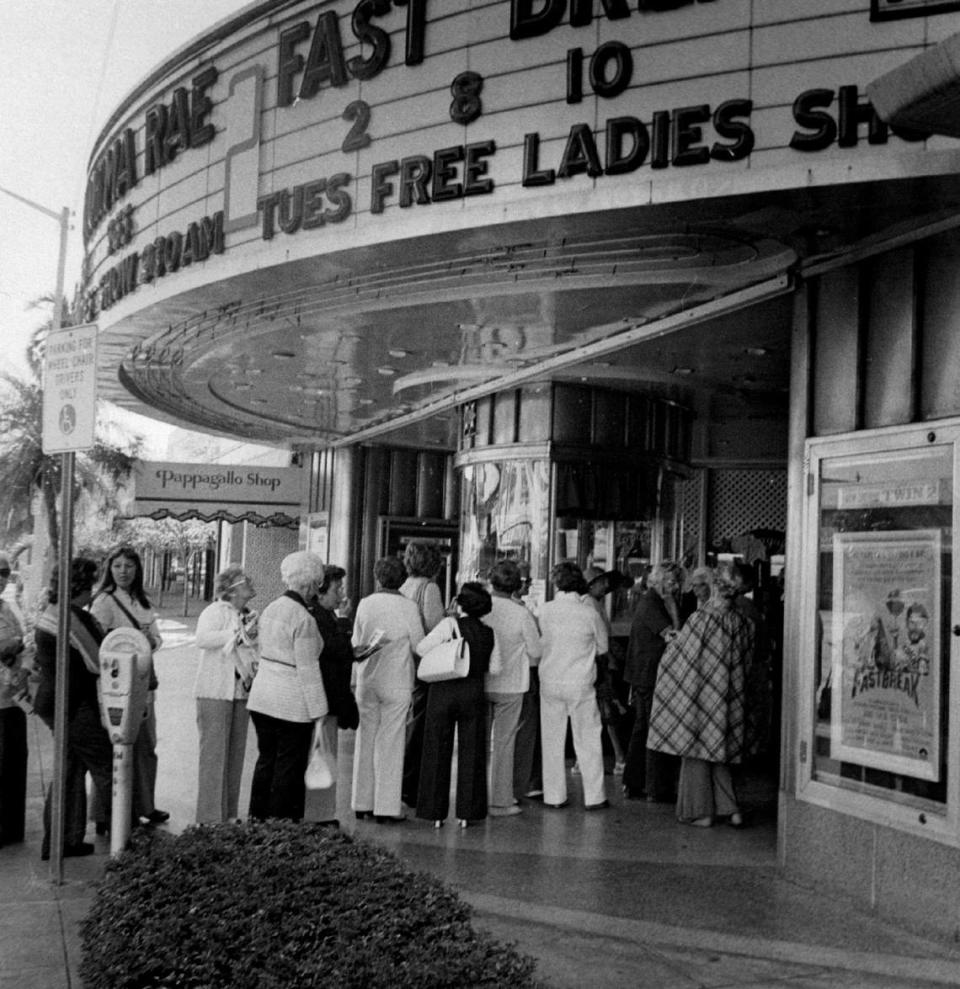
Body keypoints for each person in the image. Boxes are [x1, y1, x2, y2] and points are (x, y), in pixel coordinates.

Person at [647, 561, 755, 827]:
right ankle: (731, 808)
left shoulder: (700, 620)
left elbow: (681, 658)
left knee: (694, 750)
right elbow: (749, 660)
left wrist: (672, 641)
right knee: (720, 750)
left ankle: (700, 812)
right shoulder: (742, 622)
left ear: (716, 584)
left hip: (699, 695)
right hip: (730, 695)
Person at [34, 558, 112, 859]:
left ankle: (62, 841)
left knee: (69, 770)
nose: (93, 591)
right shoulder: (71, 617)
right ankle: (127, 837)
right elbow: (98, 660)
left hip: (55, 702)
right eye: (91, 584)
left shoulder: (52, 612)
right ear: (81, 586)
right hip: (74, 705)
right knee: (108, 765)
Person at [247, 551, 329, 821]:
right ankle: (283, 826)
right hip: (290, 703)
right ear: (307, 585)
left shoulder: (271, 607)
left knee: (266, 760)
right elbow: (308, 669)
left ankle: (256, 819)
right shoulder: (303, 619)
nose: (316, 591)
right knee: (289, 768)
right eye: (317, 585)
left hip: (262, 697)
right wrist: (319, 710)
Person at [90, 545, 168, 827]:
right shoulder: (104, 602)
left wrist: (148, 641)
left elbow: (158, 639)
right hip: (116, 686)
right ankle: (108, 814)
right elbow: (99, 644)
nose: (123, 571)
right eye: (118, 566)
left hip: (144, 683)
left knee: (146, 745)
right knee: (117, 745)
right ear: (109, 569)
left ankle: (145, 805)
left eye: (129, 566)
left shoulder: (142, 601)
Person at [416, 582, 500, 828]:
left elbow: (421, 648)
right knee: (473, 751)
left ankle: (434, 813)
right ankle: (468, 813)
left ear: (460, 603)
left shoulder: (448, 625)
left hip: (443, 692)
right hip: (473, 693)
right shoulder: (489, 632)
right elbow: (496, 668)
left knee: (436, 749)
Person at [351, 556, 423, 823]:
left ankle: (362, 802)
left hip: (367, 679)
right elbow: (418, 644)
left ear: (377, 577)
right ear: (402, 579)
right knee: (391, 743)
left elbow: (357, 642)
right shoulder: (408, 606)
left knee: (365, 739)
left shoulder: (365, 603)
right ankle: (386, 807)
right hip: (397, 680)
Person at [536, 562, 608, 811]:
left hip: (550, 681)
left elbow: (539, 644)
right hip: (580, 683)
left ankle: (554, 796)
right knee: (587, 738)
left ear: (556, 584)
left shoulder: (543, 611)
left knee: (552, 739)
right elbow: (603, 648)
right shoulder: (589, 613)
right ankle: (594, 796)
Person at [193, 565, 258, 824]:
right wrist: (236, 634)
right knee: (213, 755)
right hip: (214, 692)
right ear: (231, 589)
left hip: (239, 691)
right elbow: (203, 639)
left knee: (235, 753)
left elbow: (251, 648)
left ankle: (229, 812)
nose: (250, 584)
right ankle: (209, 816)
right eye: (245, 581)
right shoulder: (215, 611)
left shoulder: (248, 615)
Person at [483, 560, 542, 816]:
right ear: (517, 585)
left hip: (481, 681)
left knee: (479, 742)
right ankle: (500, 801)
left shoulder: (480, 608)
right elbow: (536, 652)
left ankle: (474, 796)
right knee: (505, 744)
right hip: (511, 684)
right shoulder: (522, 613)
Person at [621, 562, 683, 803]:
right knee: (649, 728)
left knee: (646, 726)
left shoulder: (652, 602)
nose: (676, 587)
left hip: (647, 673)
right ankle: (649, 785)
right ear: (657, 582)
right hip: (648, 675)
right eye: (671, 582)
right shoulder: (651, 604)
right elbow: (672, 636)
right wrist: (674, 608)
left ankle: (640, 782)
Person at [306, 564, 360, 826]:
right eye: (337, 588)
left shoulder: (322, 615)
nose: (341, 594)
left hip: (328, 696)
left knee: (326, 753)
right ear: (321, 590)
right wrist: (344, 620)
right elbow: (334, 648)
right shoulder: (319, 618)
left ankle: (323, 811)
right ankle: (319, 813)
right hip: (324, 696)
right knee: (322, 753)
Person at [399, 539, 445, 807]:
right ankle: (412, 785)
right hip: (422, 663)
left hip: (404, 661)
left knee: (409, 722)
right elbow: (434, 627)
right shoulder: (430, 588)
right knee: (420, 725)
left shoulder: (404, 586)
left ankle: (404, 782)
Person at [0, 553, 29, 846]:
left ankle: (10, 828)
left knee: (13, 763)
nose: (0, 577)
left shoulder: (8, 608)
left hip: (12, 699)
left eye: (4, 573)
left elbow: (22, 643)